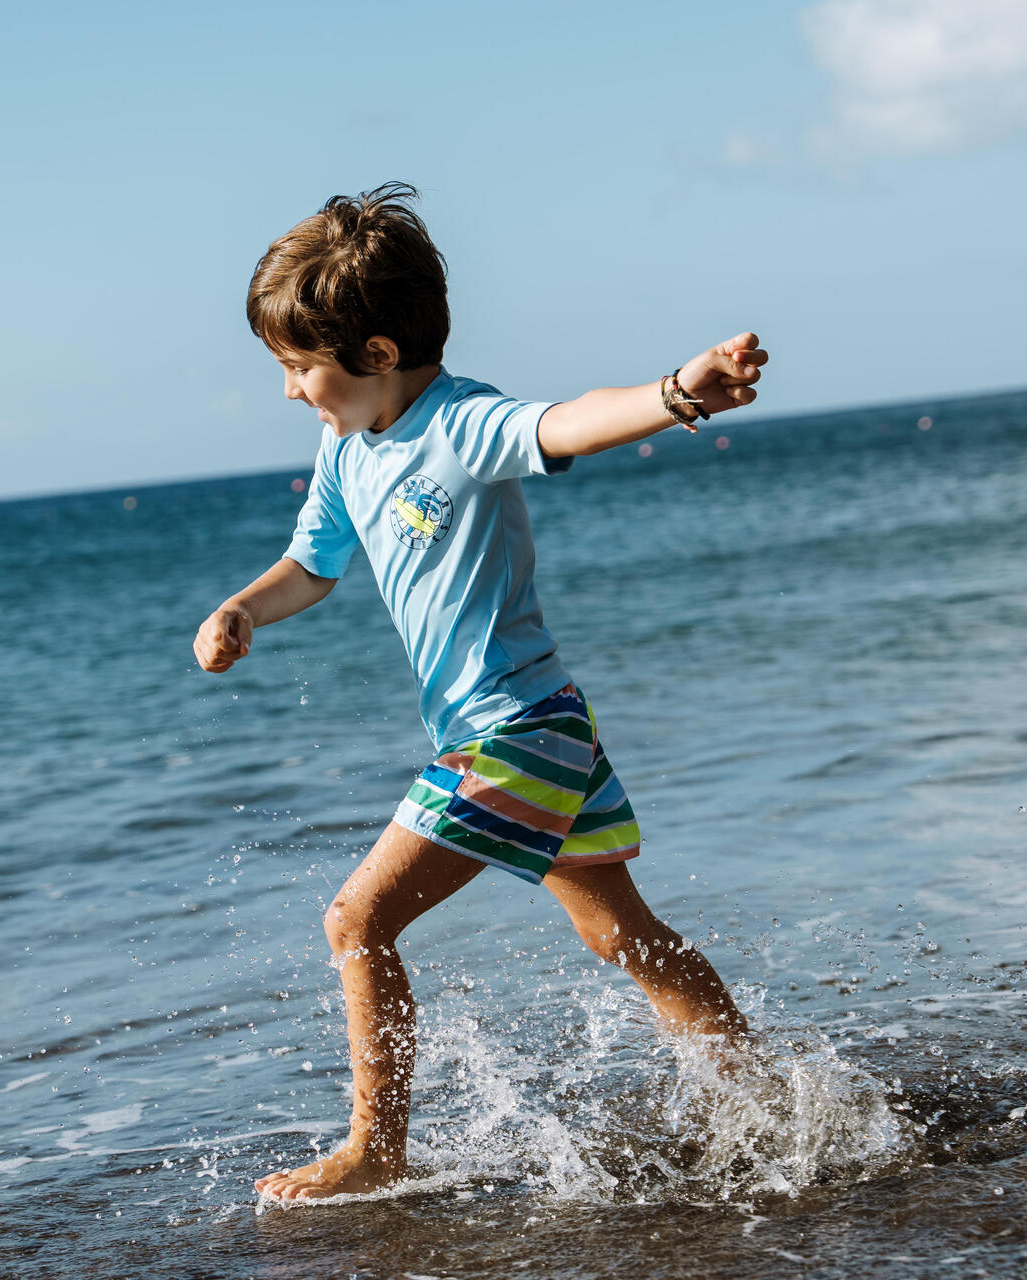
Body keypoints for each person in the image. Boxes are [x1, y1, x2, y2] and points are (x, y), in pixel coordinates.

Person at [193, 182, 767, 1201]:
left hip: (513, 735)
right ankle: (764, 1102)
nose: (289, 391)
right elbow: (313, 565)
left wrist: (678, 392)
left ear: (374, 354)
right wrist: (243, 607)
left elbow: (570, 422)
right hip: (545, 729)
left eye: (296, 367)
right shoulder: (344, 449)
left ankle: (376, 1147)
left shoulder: (462, 426)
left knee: (355, 920)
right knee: (618, 933)